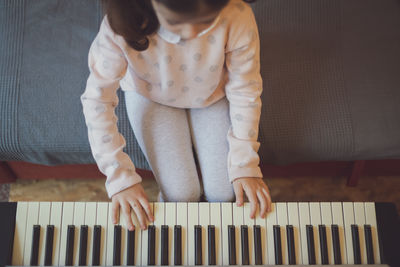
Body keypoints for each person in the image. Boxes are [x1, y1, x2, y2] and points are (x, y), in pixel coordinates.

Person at [81, 0, 272, 231]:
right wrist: (119, 178)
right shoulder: (122, 25)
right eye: (174, 23)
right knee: (181, 196)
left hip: (211, 93)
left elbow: (245, 89)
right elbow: (97, 100)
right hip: (150, 93)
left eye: (206, 21)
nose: (191, 35)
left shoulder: (236, 13)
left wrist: (245, 164)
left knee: (225, 192)